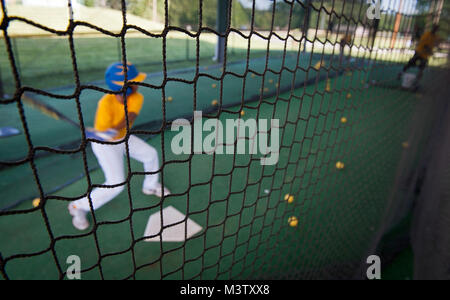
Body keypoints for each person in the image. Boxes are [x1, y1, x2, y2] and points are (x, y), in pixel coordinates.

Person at [68, 62, 170, 231]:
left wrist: (112, 130)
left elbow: (130, 117)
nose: (139, 84)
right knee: (116, 184)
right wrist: (104, 133)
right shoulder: (105, 104)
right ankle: (78, 206)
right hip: (105, 145)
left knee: (150, 154)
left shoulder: (137, 97)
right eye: (134, 82)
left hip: (122, 137)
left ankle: (150, 185)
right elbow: (105, 136)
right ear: (125, 88)